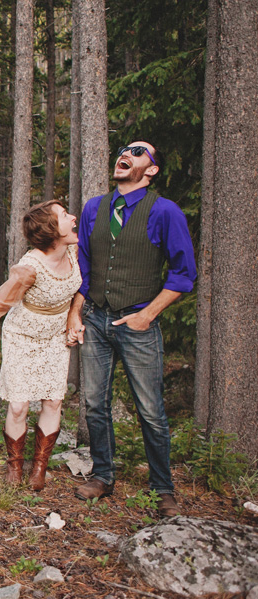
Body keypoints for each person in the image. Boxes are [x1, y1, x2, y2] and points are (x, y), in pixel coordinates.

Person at [67, 140, 197, 518]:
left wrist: (148, 314)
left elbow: (183, 272)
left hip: (138, 323)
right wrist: (77, 313)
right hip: (95, 318)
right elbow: (85, 268)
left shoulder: (166, 212)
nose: (127, 154)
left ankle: (163, 488)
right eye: (125, 150)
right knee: (94, 404)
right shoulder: (95, 207)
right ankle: (102, 475)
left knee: (151, 411)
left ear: (151, 170)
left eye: (139, 152)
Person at [0, 200, 81, 491]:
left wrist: (73, 317)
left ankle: (39, 466)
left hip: (54, 336)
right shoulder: (29, 268)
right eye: (65, 216)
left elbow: (84, 286)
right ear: (52, 230)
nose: (74, 218)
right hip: (22, 335)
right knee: (18, 406)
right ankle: (14, 465)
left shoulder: (77, 250)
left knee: (53, 400)